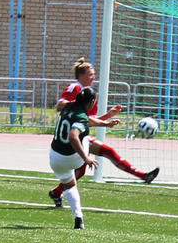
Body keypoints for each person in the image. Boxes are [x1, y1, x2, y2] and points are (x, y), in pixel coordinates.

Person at [48, 57, 159, 207]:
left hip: (81, 135)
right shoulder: (75, 88)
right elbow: (60, 105)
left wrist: (108, 116)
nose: (93, 77)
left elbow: (88, 120)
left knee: (102, 156)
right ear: (81, 75)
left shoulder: (89, 94)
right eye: (90, 74)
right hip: (71, 139)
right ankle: (143, 176)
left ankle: (57, 192)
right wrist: (77, 103)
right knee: (92, 161)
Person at [49, 86, 99, 229]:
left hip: (55, 158)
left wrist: (106, 122)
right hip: (72, 158)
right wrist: (86, 158)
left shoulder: (67, 107)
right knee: (86, 138)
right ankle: (78, 217)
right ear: (92, 102)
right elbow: (73, 136)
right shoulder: (81, 117)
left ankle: (79, 218)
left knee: (70, 185)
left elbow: (86, 120)